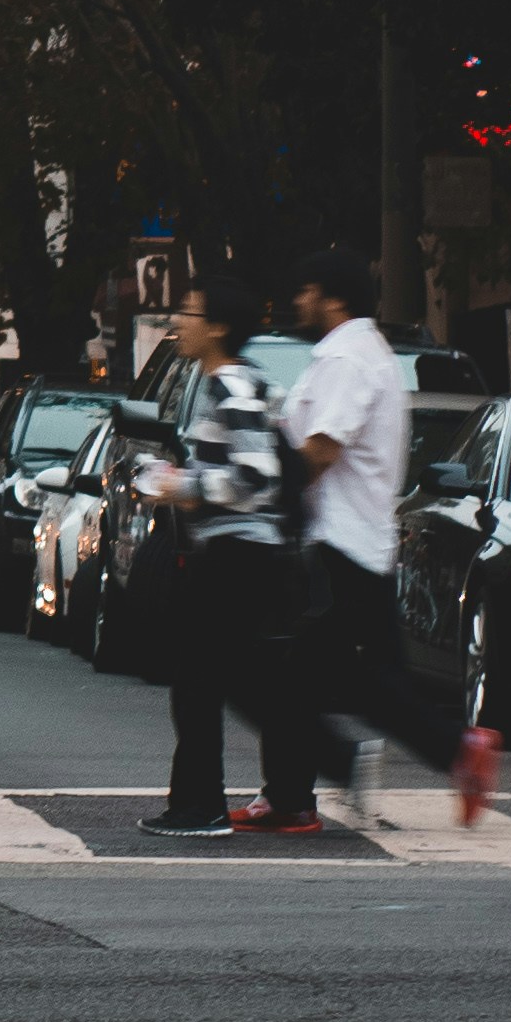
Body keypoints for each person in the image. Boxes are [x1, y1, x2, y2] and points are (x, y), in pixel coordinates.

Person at [239, 245, 499, 834]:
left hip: (340, 547)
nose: (297, 302)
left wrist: (266, 487)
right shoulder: (355, 355)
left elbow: (322, 448)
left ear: (332, 299)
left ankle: (454, 751)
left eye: (305, 291)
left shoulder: (348, 359)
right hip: (358, 543)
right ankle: (293, 798)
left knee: (292, 675)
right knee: (346, 678)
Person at [136, 272, 293, 839]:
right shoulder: (226, 384)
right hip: (235, 552)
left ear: (219, 327)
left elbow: (255, 477)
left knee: (198, 683)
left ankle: (199, 808)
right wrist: (180, 476)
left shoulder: (233, 386)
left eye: (189, 312)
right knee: (221, 680)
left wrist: (184, 488)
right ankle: (235, 798)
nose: (176, 322)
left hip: (239, 554)